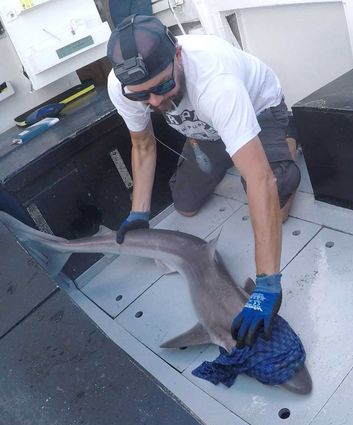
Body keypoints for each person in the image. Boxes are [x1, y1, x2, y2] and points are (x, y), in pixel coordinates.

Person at [106, 15, 300, 348]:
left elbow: (259, 180)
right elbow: (142, 143)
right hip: (204, 130)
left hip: (258, 113)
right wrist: (138, 214)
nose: (153, 102)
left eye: (163, 87)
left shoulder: (216, 83)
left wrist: (267, 283)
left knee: (274, 197)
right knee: (185, 206)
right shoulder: (122, 88)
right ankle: (232, 149)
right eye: (142, 96)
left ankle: (286, 139)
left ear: (178, 56)